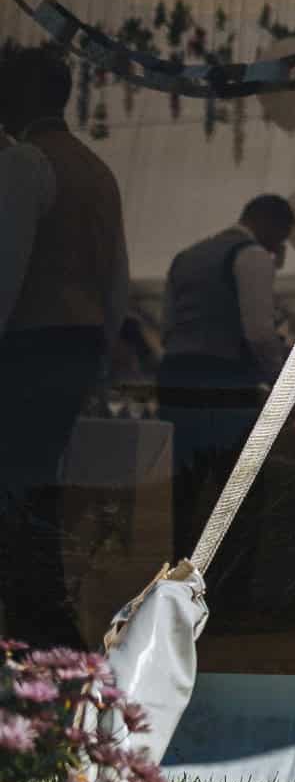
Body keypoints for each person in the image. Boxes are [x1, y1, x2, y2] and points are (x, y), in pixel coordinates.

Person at [0, 42, 129, 647]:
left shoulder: (27, 162)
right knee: (34, 485)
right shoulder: (95, 168)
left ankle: (39, 630)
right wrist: (100, 352)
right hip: (76, 346)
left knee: (18, 493)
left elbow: (7, 268)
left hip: (27, 346)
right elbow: (118, 278)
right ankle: (43, 627)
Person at [156, 193, 295, 567]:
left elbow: (167, 326)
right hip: (226, 387)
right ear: (271, 224)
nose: (280, 247)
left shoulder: (185, 257)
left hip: (175, 381)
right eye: (281, 237)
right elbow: (258, 333)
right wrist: (280, 380)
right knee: (239, 495)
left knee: (182, 495)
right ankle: (229, 595)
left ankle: (173, 582)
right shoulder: (251, 256)